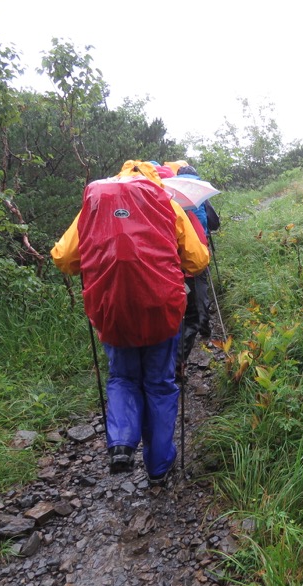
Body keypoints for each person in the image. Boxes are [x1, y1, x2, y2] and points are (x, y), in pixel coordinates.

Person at [51, 160, 209, 485]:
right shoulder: (165, 200)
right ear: (153, 175)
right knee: (160, 385)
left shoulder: (94, 202)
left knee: (123, 378)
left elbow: (64, 259)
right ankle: (158, 468)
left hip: (112, 311)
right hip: (161, 310)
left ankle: (121, 442)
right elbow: (197, 259)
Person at [174, 164, 219, 364]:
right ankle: (204, 324)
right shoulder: (199, 194)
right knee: (200, 286)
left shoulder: (170, 196)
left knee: (182, 291)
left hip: (175, 256)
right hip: (199, 247)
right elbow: (214, 222)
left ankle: (179, 336)